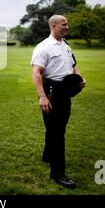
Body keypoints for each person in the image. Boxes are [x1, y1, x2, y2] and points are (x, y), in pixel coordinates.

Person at [30, 15, 86, 189]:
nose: (67, 27)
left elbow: (73, 64)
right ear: (54, 26)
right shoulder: (43, 47)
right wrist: (42, 96)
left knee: (57, 127)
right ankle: (58, 173)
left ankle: (48, 156)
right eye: (64, 24)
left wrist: (79, 77)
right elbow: (36, 73)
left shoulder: (65, 45)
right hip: (51, 92)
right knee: (57, 133)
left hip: (65, 92)